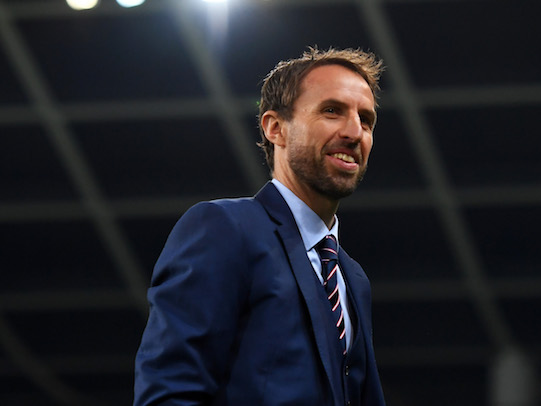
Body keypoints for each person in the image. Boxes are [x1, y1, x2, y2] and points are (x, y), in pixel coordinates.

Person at [134, 47, 387, 406]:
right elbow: (169, 391)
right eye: (332, 111)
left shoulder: (353, 277)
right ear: (275, 128)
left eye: (366, 120)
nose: (354, 132)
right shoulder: (224, 229)